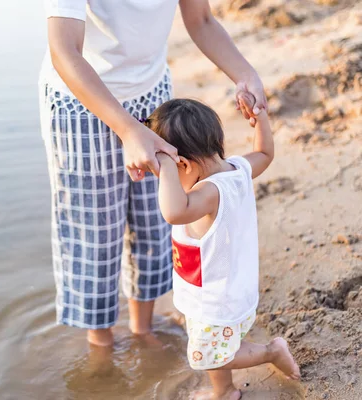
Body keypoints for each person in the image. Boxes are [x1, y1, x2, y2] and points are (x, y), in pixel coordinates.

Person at [39, 0, 267, 347]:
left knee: (152, 222)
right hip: (83, 101)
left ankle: (142, 329)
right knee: (95, 235)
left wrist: (245, 74)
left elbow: (201, 19)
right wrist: (128, 130)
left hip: (151, 92)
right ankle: (100, 344)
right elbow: (64, 51)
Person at [150, 95, 300, 400]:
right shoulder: (238, 169)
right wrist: (261, 120)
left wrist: (164, 164)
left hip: (215, 300)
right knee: (216, 347)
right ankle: (225, 391)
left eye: (168, 170)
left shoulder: (207, 193)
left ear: (184, 165)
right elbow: (264, 152)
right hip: (228, 289)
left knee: (208, 356)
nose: (165, 178)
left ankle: (271, 352)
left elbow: (173, 212)